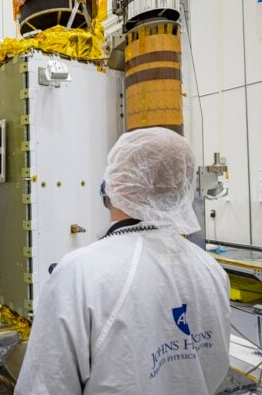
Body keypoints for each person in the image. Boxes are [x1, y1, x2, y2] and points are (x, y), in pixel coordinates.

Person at [15, 127, 231, 395]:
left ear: (115, 183)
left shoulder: (79, 274)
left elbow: (44, 386)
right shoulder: (210, 269)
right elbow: (216, 366)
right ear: (182, 188)